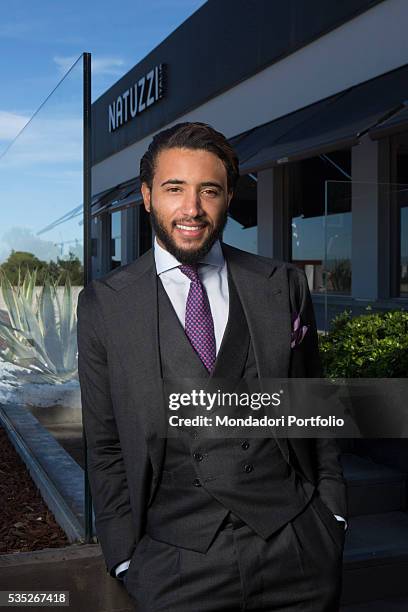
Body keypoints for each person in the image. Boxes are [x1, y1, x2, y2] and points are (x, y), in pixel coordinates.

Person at [77, 122, 347, 611]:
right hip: (174, 564)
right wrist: (124, 557)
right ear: (147, 196)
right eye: (174, 189)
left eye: (209, 190)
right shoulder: (105, 304)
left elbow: (312, 404)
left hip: (297, 550)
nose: (191, 209)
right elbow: (105, 442)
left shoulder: (280, 283)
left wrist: (332, 515)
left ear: (228, 197)